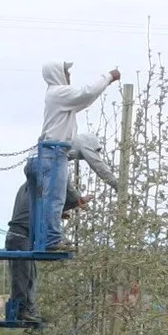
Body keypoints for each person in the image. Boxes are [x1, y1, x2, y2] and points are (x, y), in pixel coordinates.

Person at [33, 61, 120, 251]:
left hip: (46, 154)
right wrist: (109, 77)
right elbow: (86, 93)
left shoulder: (58, 99)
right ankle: (51, 240)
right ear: (57, 74)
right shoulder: (58, 93)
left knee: (49, 200)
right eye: (66, 72)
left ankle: (45, 237)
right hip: (53, 152)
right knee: (54, 200)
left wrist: (75, 197)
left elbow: (85, 100)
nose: (69, 76)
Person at [6, 178, 85, 323]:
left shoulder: (31, 187)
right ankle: (21, 311)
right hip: (20, 236)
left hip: (23, 237)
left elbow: (35, 209)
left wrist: (60, 211)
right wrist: (75, 201)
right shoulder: (39, 185)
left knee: (30, 277)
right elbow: (69, 196)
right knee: (22, 278)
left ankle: (28, 311)